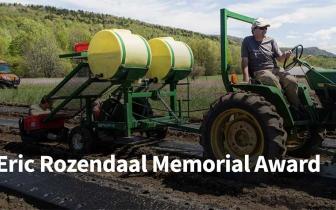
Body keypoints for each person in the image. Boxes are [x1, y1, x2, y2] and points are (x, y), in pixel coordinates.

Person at [241, 18, 301, 110]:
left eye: (266, 28)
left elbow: (280, 59)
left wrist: (285, 55)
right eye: (262, 28)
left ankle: (297, 108)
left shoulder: (271, 40)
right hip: (260, 71)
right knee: (273, 80)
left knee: (291, 80)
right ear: (254, 29)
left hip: (275, 69)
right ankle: (284, 108)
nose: (265, 30)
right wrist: (246, 79)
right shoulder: (247, 41)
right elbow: (245, 61)